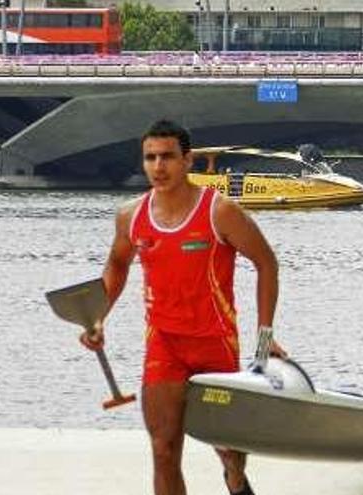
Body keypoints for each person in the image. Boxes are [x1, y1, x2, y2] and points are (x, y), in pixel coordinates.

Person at [80, 119, 286, 495]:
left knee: (229, 451)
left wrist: (265, 333)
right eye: (150, 158)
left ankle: (235, 479)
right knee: (163, 450)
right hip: (165, 345)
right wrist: (97, 317)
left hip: (214, 344)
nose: (159, 167)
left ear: (188, 160)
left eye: (168, 157)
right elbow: (117, 266)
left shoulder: (219, 211)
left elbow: (266, 263)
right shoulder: (131, 216)